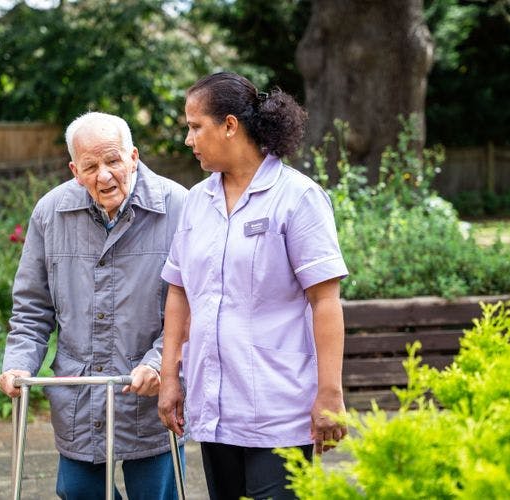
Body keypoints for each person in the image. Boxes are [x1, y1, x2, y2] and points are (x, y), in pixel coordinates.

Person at [158, 72, 349, 500]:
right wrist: (170, 376)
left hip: (278, 407)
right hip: (214, 406)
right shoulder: (196, 202)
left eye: (195, 126)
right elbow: (179, 291)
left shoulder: (298, 197)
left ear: (229, 125)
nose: (189, 140)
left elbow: (325, 300)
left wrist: (329, 394)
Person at [0, 111, 187, 500]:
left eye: (113, 160)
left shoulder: (180, 207)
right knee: (77, 491)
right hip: (79, 400)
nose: (104, 176)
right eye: (90, 166)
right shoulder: (50, 213)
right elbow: (32, 308)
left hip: (149, 399)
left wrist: (159, 365)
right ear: (74, 170)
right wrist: (18, 362)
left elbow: (194, 309)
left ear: (133, 156)